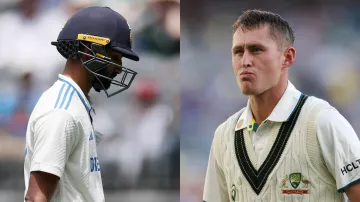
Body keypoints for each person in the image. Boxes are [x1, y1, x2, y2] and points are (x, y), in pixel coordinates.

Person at [202, 9, 360, 202]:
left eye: (256, 50)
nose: (245, 61)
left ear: (287, 57)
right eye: (238, 52)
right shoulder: (223, 136)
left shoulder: (322, 121)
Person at [23, 6, 139, 202]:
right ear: (88, 51)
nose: (119, 69)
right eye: (115, 58)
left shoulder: (75, 103)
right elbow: (36, 198)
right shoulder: (62, 111)